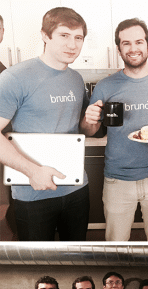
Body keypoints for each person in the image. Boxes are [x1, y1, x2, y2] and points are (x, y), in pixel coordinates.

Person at [82, 18, 148, 241]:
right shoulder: (105, 86)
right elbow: (92, 130)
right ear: (118, 49)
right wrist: (88, 120)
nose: (133, 48)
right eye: (126, 43)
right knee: (116, 244)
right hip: (117, 180)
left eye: (139, 42)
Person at [0, 7, 91, 240]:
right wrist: (33, 171)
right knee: (40, 261)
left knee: (76, 256)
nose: (72, 45)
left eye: (78, 37)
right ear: (45, 35)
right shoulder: (14, 77)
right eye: (64, 35)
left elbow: (79, 130)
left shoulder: (76, 79)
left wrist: (90, 120)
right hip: (33, 193)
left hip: (76, 189)